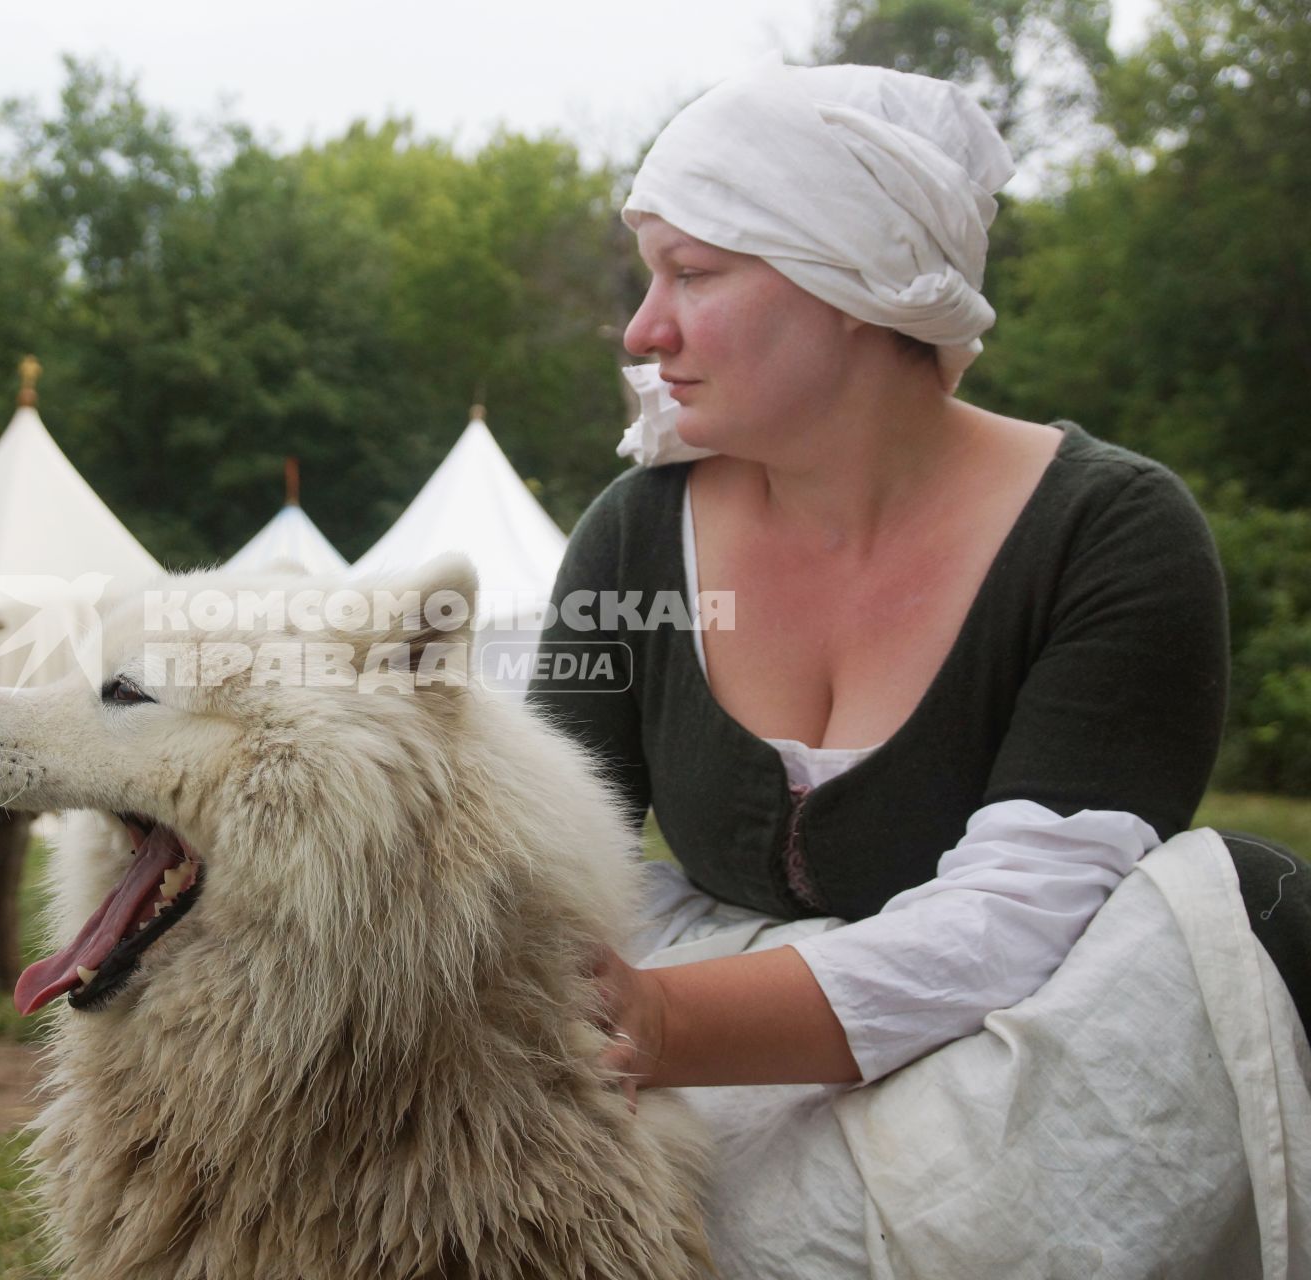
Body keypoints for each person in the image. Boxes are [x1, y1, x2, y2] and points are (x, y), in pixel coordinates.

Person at [529, 60, 1311, 1271]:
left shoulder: (1108, 533)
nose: (644, 329)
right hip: (696, 1055)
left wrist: (666, 1018)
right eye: (651, 275)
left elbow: (1018, 919)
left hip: (1003, 1075)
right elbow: (554, 857)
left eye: (694, 272)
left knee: (1237, 908)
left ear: (852, 282)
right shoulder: (635, 530)